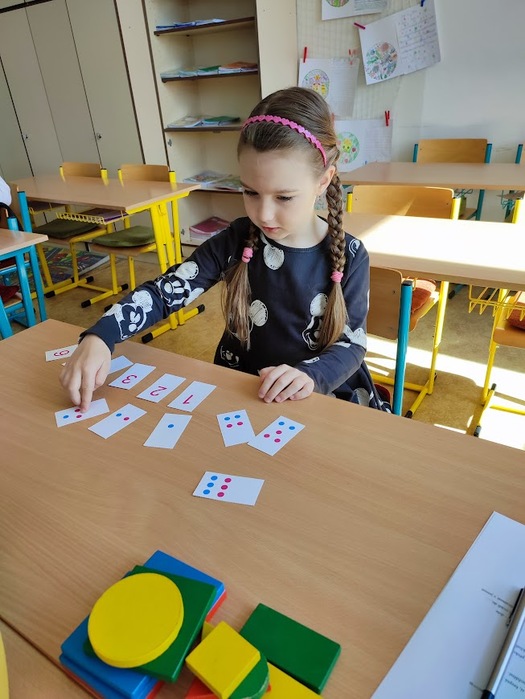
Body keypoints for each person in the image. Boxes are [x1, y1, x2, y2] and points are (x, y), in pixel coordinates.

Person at [60, 86, 390, 413]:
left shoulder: (351, 255)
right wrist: (101, 335)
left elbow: (352, 344)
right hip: (242, 386)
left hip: (316, 394)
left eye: (284, 197)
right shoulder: (237, 238)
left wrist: (310, 376)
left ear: (323, 180)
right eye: (250, 192)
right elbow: (165, 292)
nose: (263, 214)